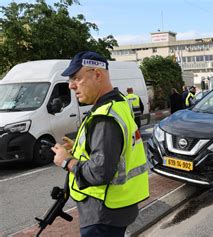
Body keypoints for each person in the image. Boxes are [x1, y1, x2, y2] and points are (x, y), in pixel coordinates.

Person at [51, 51, 149, 237]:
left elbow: (99, 172)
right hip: (117, 207)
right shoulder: (119, 103)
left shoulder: (104, 117)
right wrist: (80, 147)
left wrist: (66, 161)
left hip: (103, 213)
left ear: (97, 74)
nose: (71, 85)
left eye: (76, 78)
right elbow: (113, 149)